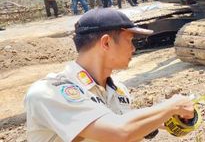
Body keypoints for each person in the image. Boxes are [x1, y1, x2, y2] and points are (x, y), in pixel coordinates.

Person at [24, 8, 195, 141]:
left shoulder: (118, 91)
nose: (134, 49)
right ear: (106, 42)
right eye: (130, 41)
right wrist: (172, 106)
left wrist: (162, 120)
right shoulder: (48, 92)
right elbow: (120, 131)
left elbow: (123, 129)